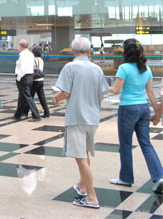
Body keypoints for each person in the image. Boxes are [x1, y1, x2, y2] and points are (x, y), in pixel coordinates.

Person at [51, 37, 109, 210]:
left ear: (73, 51)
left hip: (76, 117)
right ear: (90, 51)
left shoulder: (70, 67)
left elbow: (65, 92)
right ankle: (82, 186)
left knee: (80, 158)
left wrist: (55, 99)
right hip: (93, 117)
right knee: (85, 153)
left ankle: (92, 198)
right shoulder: (97, 69)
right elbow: (102, 95)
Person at [108, 39, 163, 192]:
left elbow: (116, 90)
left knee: (125, 144)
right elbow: (151, 93)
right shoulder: (147, 69)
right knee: (146, 143)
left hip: (128, 108)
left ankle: (126, 178)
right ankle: (160, 176)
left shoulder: (124, 68)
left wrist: (104, 86)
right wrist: (157, 114)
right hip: (144, 108)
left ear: (126, 52)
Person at [13, 39, 40, 122]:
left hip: (23, 77)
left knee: (27, 97)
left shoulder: (23, 55)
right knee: (22, 97)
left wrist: (19, 77)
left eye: (18, 45)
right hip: (29, 77)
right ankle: (18, 114)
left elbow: (23, 68)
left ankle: (36, 115)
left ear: (21, 46)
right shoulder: (30, 54)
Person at [25, 46, 50, 118]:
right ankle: (47, 112)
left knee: (30, 97)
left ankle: (27, 112)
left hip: (34, 81)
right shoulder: (41, 60)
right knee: (42, 98)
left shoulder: (33, 60)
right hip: (41, 80)